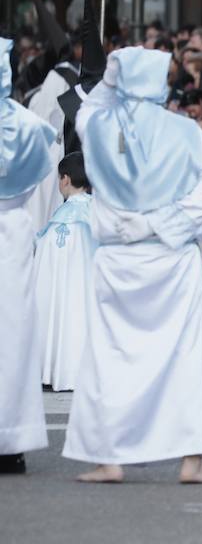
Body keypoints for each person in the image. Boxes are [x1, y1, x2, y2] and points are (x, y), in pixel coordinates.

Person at [65, 47, 202, 484]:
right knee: (185, 359)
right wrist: (163, 223)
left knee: (107, 357)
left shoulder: (97, 127)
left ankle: (107, 456)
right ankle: (192, 460)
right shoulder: (186, 131)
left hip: (117, 256)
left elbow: (89, 105)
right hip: (171, 255)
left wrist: (111, 75)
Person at [0, 38, 60, 474]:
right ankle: (12, 438)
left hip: (13, 228)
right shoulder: (30, 126)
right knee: (13, 336)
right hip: (14, 229)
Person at [34, 153, 95, 393]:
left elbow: (43, 274)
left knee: (57, 308)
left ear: (65, 179)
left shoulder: (58, 222)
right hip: (86, 289)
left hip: (59, 291)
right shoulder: (98, 214)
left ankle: (52, 367)